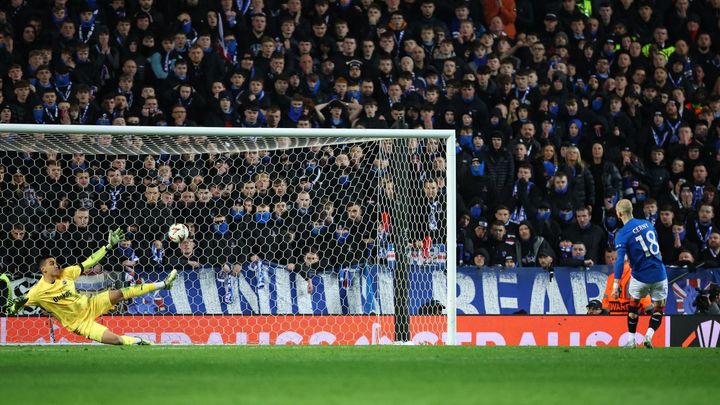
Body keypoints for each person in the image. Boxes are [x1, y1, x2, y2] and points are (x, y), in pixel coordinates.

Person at [6, 229, 177, 345]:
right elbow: (13, 308)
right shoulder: (37, 292)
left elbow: (91, 261)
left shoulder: (66, 273)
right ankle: (138, 341)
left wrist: (108, 246)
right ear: (43, 269)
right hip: (80, 324)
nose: (57, 265)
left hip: (90, 304)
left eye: (56, 262)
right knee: (116, 341)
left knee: (118, 293)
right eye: (52, 264)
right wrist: (15, 304)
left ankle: (163, 284)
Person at [613, 199, 668, 348]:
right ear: (631, 211)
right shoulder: (647, 224)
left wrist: (616, 284)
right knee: (658, 309)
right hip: (659, 274)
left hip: (640, 277)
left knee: (633, 307)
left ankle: (631, 340)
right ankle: (648, 336)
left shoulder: (622, 234)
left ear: (619, 214)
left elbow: (619, 261)